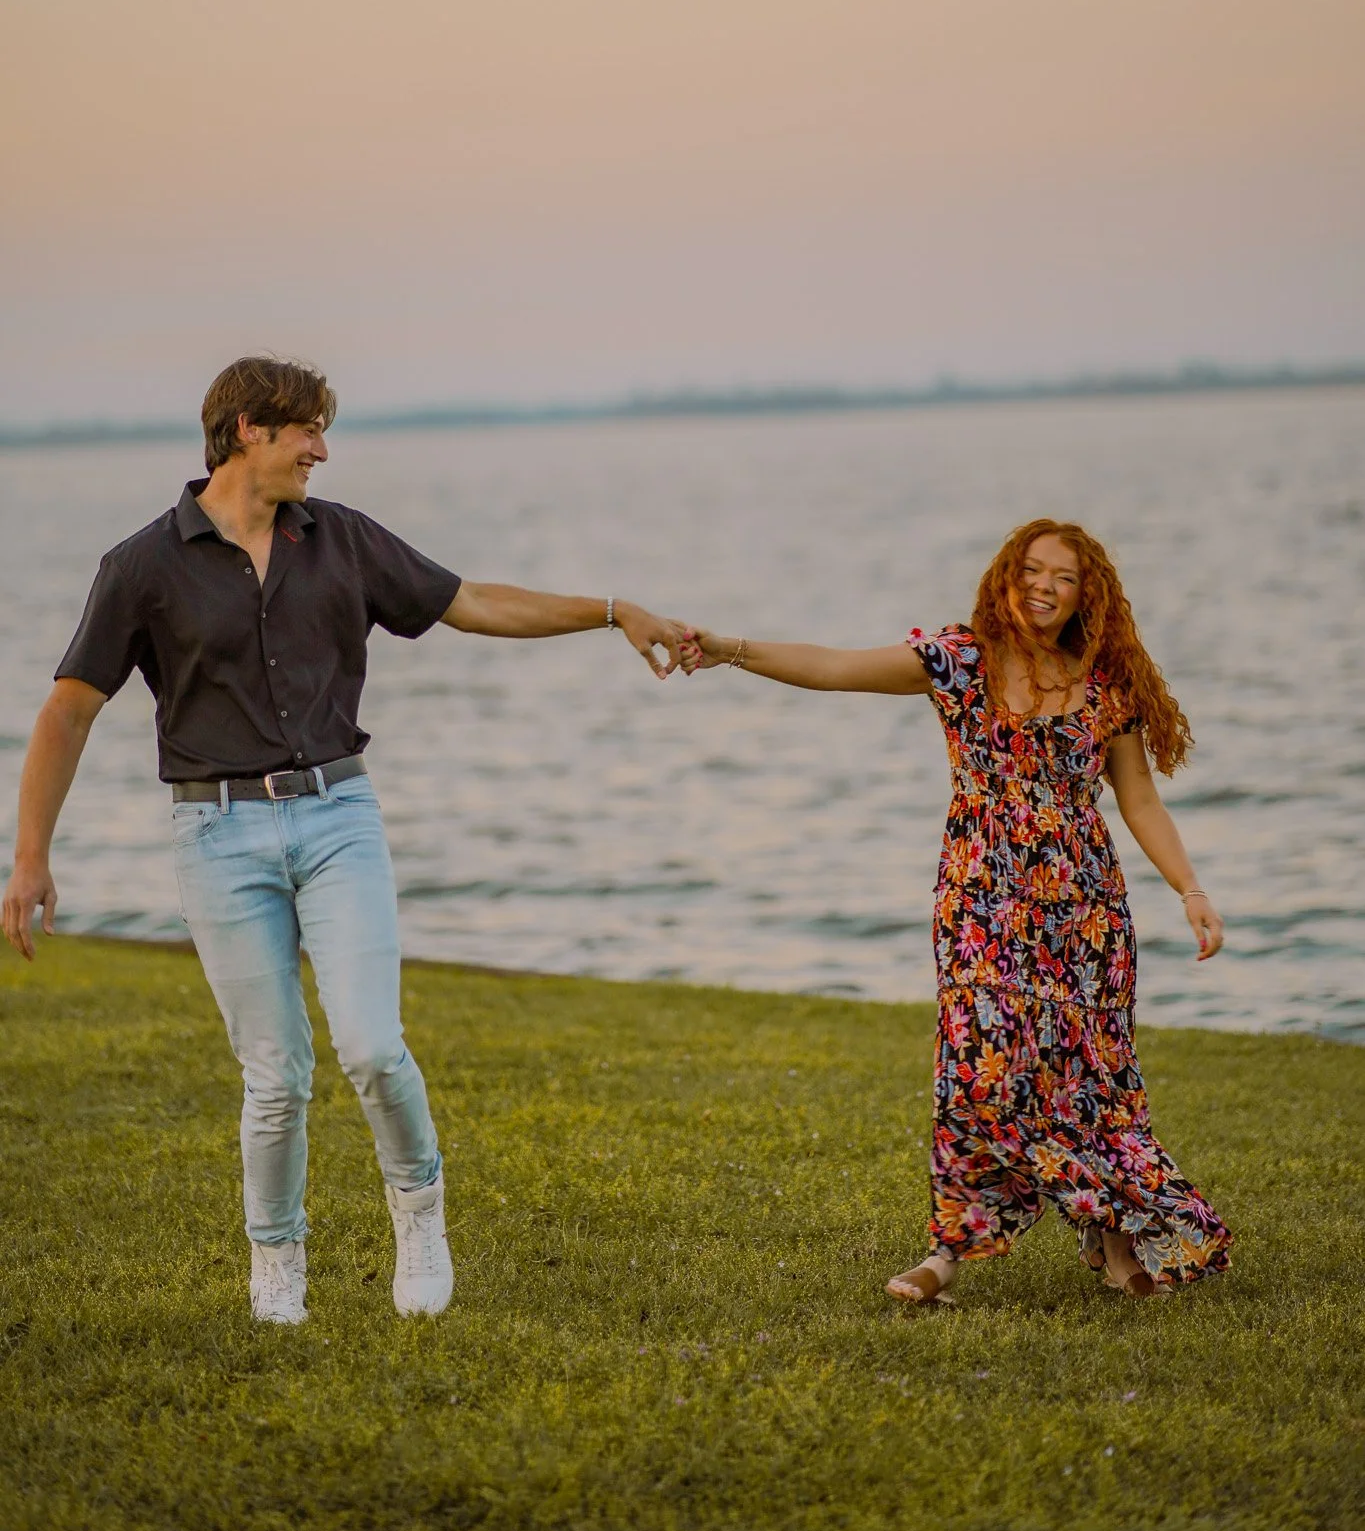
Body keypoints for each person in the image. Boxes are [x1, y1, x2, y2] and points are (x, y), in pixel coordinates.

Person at [2, 356, 685, 1327]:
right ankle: (277, 1259)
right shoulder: (142, 565)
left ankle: (420, 1213)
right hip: (217, 835)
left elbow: (474, 602)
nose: (321, 450)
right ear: (248, 430)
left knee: (371, 1046)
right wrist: (31, 856)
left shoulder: (343, 539)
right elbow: (69, 710)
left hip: (337, 819)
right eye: (307, 431)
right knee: (275, 1076)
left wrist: (612, 611)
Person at [680, 518, 1232, 1303]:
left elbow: (1138, 799)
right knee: (978, 1077)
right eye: (1031, 569)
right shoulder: (960, 659)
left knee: (1088, 1082)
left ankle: (1113, 1239)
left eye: (1063, 577)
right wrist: (730, 648)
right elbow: (834, 667)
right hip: (979, 906)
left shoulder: (1104, 687)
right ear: (1007, 575)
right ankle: (949, 1250)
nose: (1042, 586)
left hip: (1084, 916)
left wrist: (1190, 891)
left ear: (1086, 596)